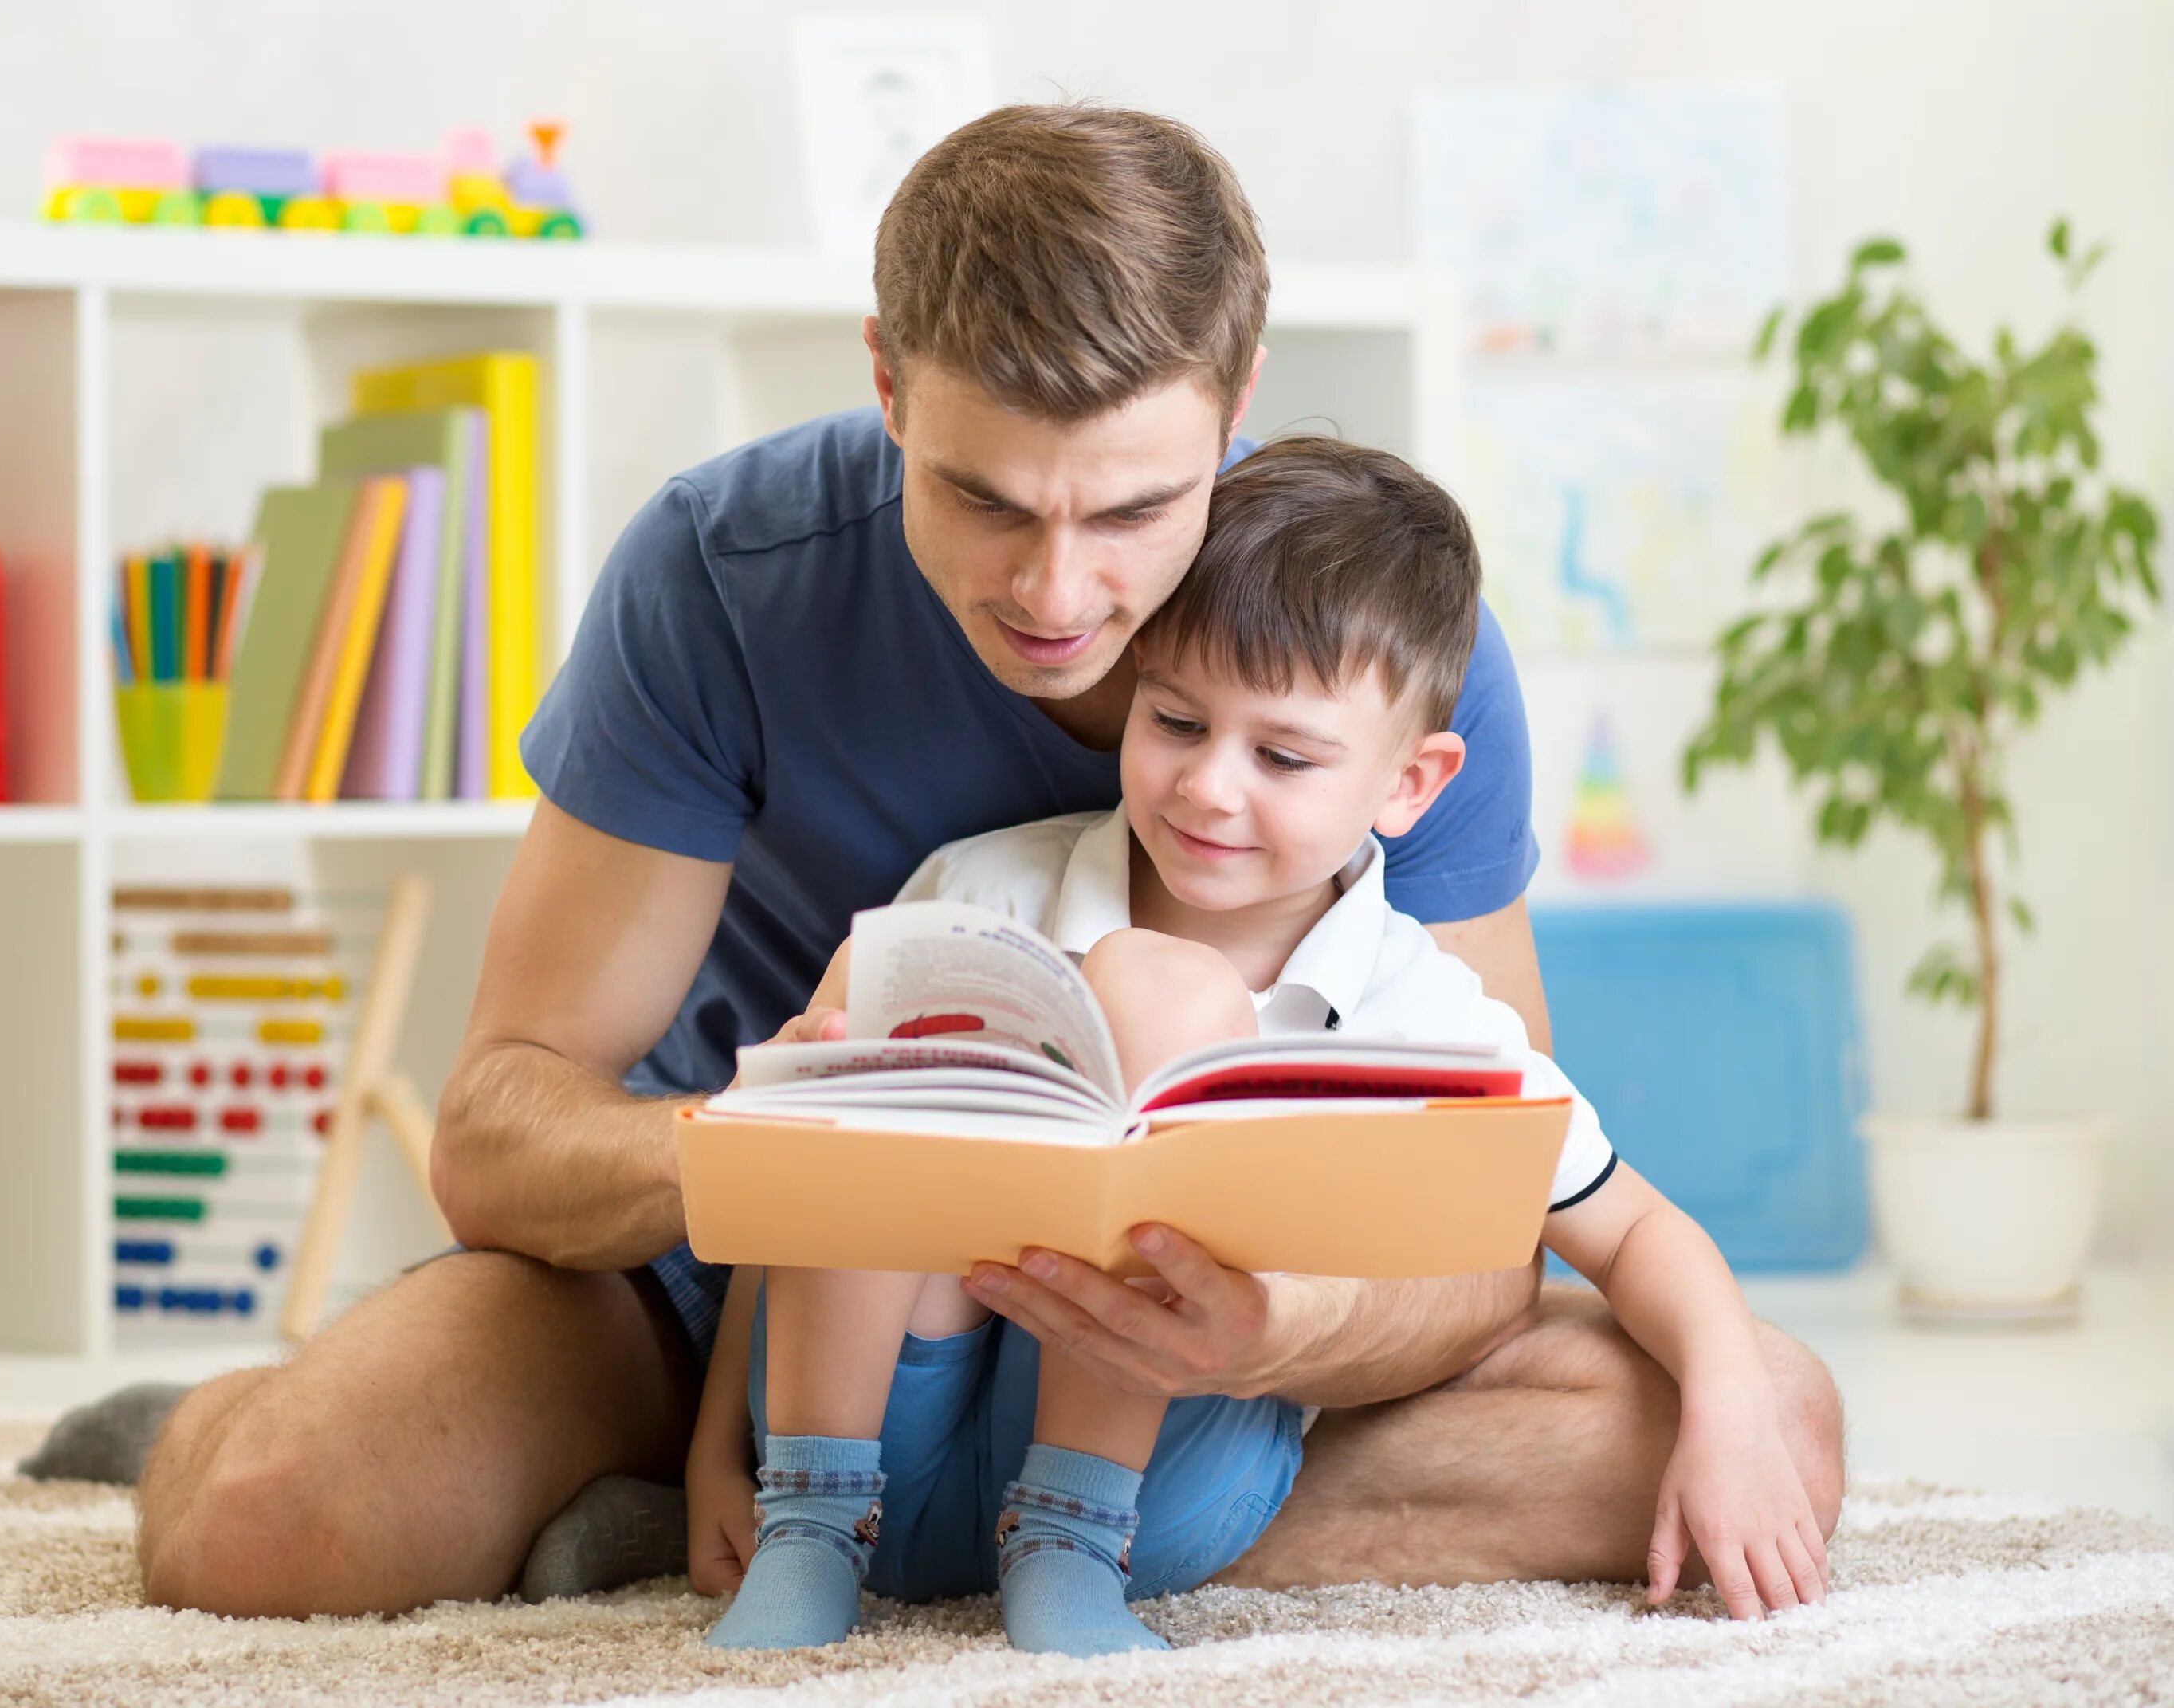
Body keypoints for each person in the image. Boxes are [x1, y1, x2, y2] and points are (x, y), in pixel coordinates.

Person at [124, 104, 1842, 1623]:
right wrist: (807, 1157)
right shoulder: (720, 573)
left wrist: (1265, 1332)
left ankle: (933, 1538)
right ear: (885, 381)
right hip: (716, 1288)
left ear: (1237, 405)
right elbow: (501, 1126)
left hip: (1183, 1356)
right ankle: (764, 1480)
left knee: (1766, 1416)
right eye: (987, 502)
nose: (1059, 592)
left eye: (1130, 512)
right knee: (274, 1526)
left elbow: (1485, 1221)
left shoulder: (1378, 669)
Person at [691, 438, 1831, 1657]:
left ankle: (1067, 1546)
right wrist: (713, 1449)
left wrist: (1729, 1405)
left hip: (1157, 1487)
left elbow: (1636, 1229)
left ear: (1410, 783)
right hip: (876, 1426)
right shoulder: (984, 890)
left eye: (1282, 756)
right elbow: (804, 1178)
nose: (1209, 788)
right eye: (1175, 720)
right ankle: (807, 1525)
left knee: (1167, 1002)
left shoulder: (1421, 1006)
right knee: (883, 977)